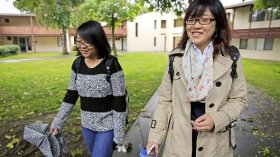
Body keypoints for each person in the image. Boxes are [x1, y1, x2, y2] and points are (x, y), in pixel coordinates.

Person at [146, 0, 247, 157]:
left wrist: (217, 119)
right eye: (191, 19)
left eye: (205, 19)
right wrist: (154, 138)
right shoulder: (176, 57)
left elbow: (239, 99)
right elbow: (165, 101)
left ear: (217, 24)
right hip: (179, 140)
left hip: (214, 141)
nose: (196, 25)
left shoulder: (231, 57)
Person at [50, 20, 127, 157]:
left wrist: (119, 134)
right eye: (79, 42)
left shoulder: (111, 64)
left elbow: (120, 101)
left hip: (107, 126)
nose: (82, 46)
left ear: (98, 41)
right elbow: (70, 96)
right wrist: (57, 123)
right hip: (87, 126)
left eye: (87, 42)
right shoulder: (77, 64)